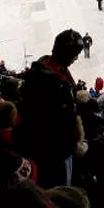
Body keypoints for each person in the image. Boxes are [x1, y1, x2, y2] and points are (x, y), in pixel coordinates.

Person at [18, 29, 84, 188]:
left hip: (47, 145)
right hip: (56, 151)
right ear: (65, 54)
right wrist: (72, 144)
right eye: (74, 54)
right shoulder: (54, 84)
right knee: (60, 188)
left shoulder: (44, 67)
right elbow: (60, 122)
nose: (76, 58)